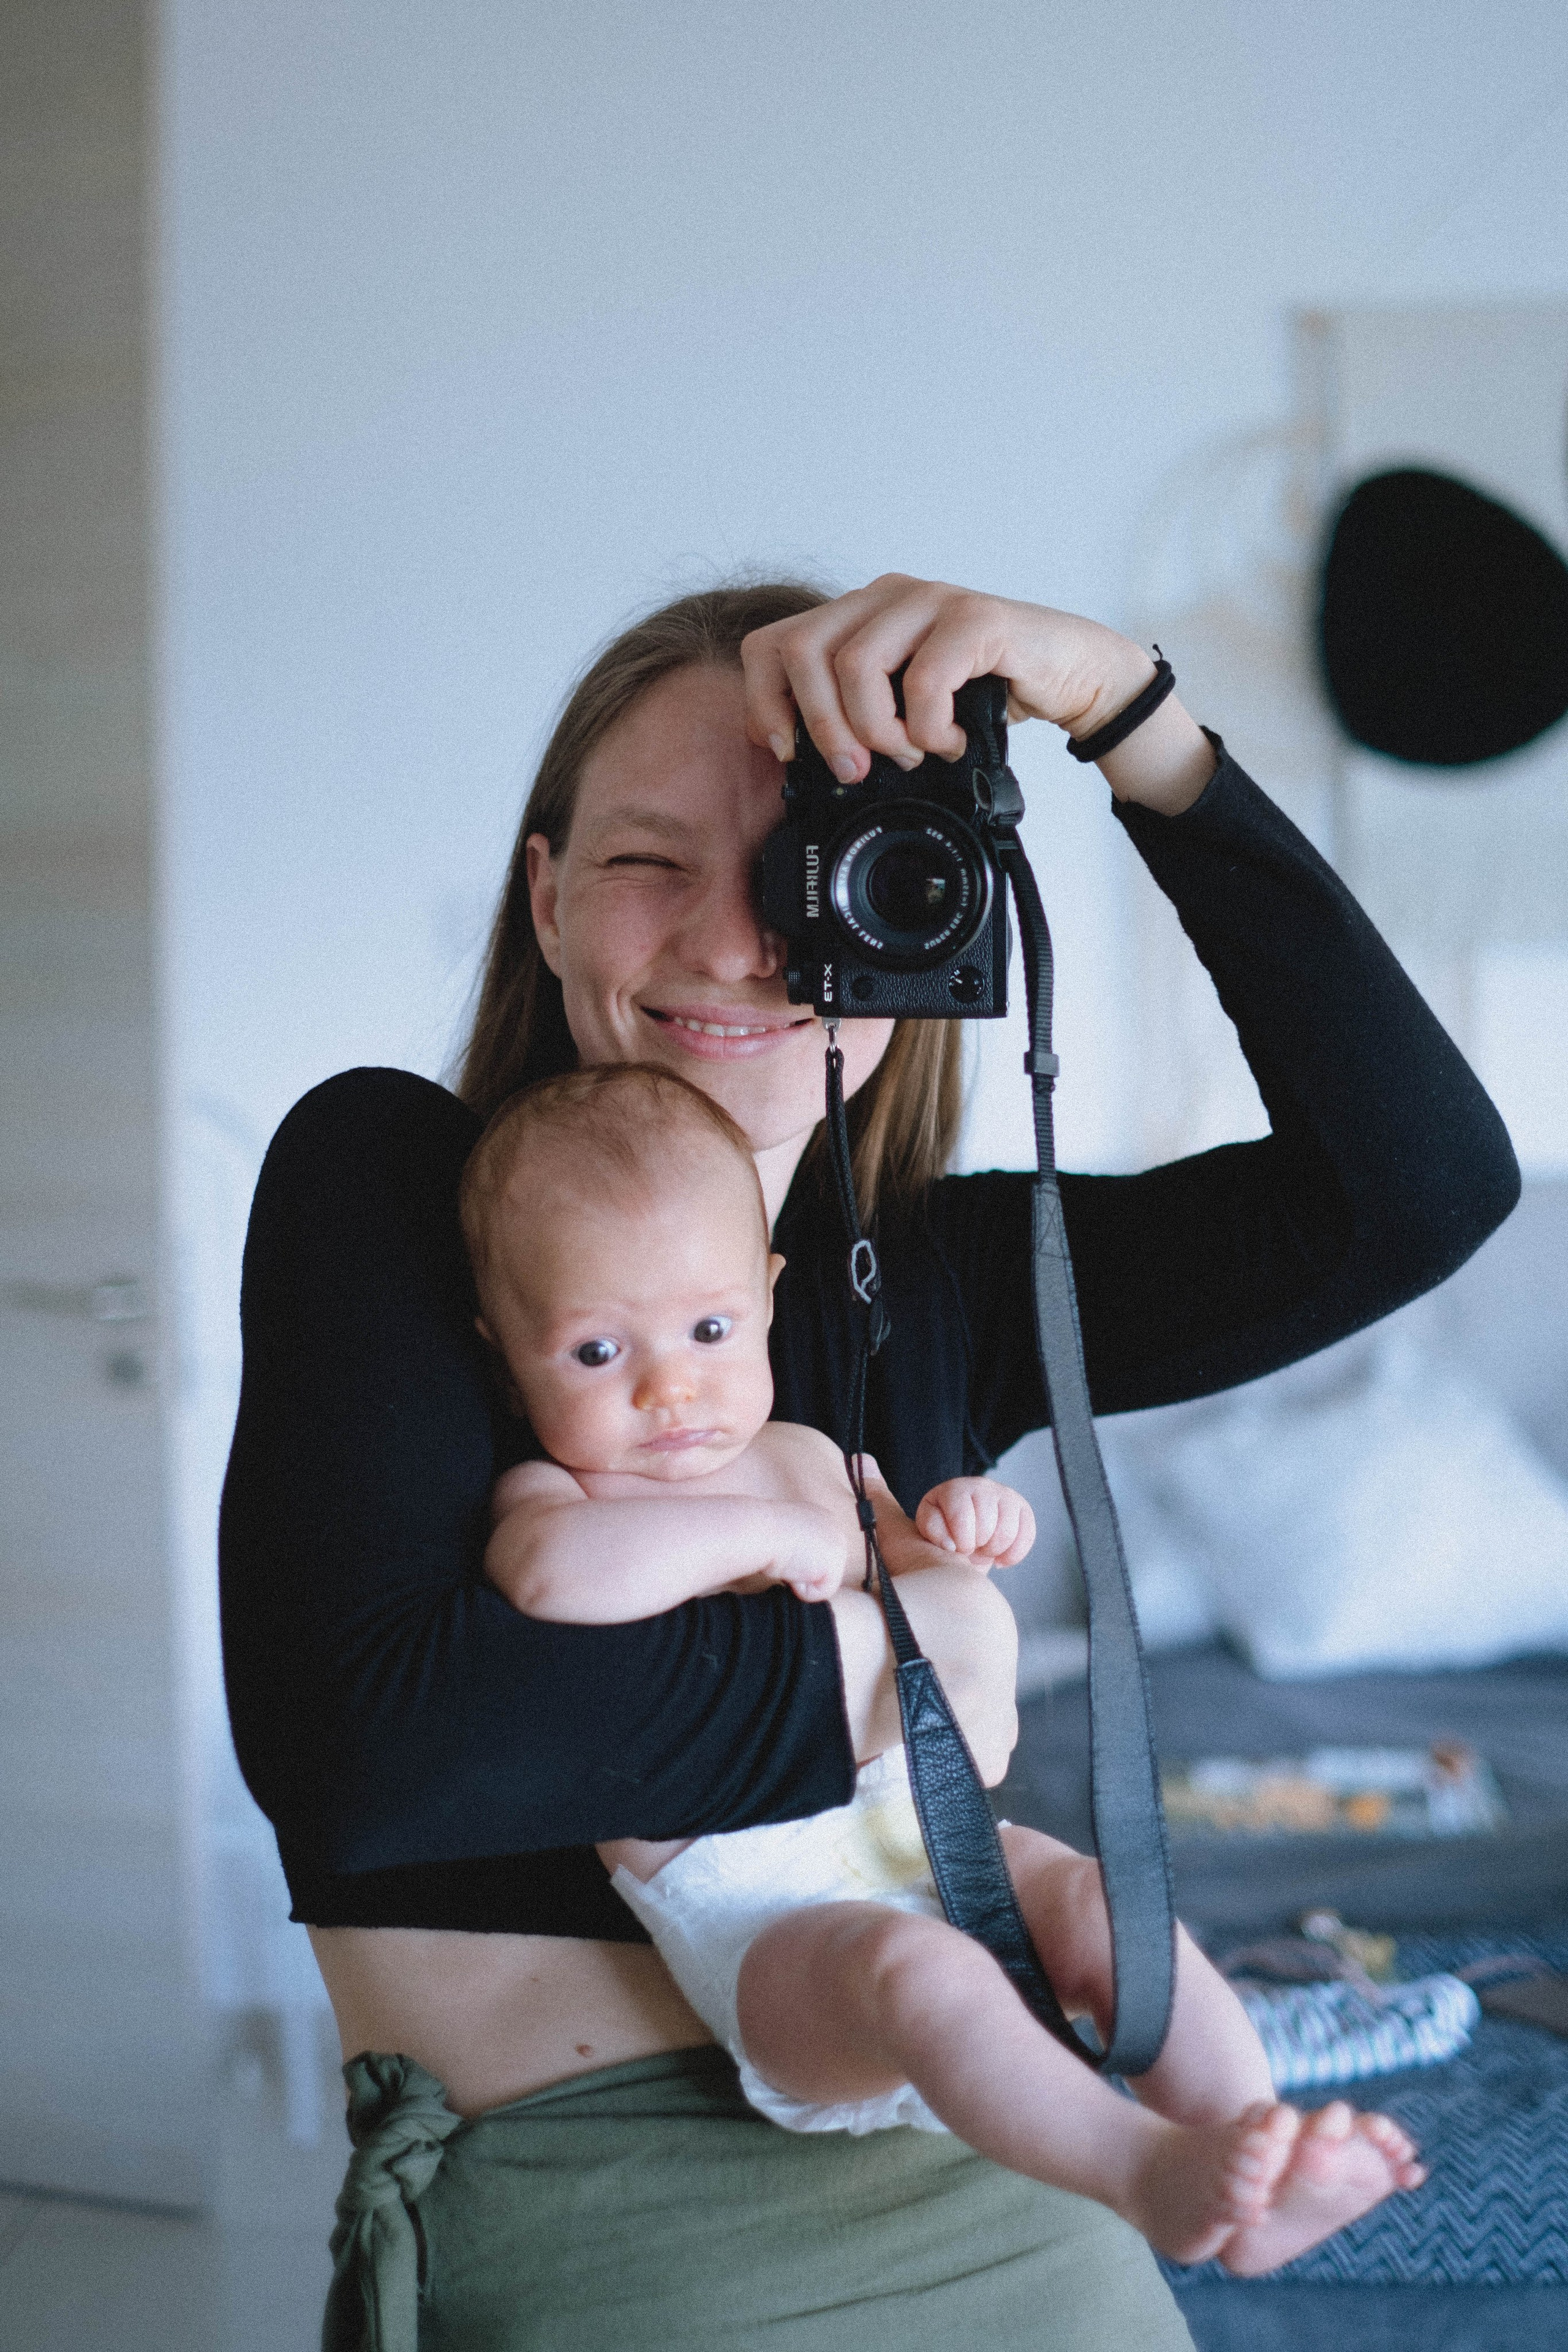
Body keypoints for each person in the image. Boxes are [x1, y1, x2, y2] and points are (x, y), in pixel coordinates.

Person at [220, 575, 1520, 2351]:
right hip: (610, 2202)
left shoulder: (940, 1281)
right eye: (644, 861)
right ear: (544, 896)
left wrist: (1133, 718)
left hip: (1010, 2155)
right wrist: (910, 1655)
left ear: (928, 918)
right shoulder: (399, 1190)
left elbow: (1422, 1188)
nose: (738, 942)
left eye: (811, 871)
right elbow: (375, 1750)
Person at [461, 1058, 1425, 2278]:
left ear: (764, 1298)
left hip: (927, 1839)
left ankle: (1250, 2143)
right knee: (907, 1971)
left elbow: (923, 1577)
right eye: (597, 1351)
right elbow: (549, 1578)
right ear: (507, 1359)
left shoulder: (814, 1457)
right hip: (763, 1922)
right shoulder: (560, 1497)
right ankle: (1144, 2173)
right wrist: (759, 1539)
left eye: (708, 1329)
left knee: (1096, 1902)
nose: (669, 1386)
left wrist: (963, 1520)